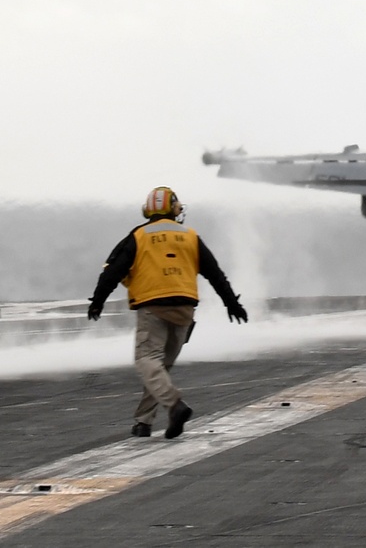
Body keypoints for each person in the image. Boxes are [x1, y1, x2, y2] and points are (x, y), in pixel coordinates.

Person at [88, 186, 248, 439]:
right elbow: (215, 273)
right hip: (185, 309)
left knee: (146, 361)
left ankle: (175, 406)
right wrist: (232, 304)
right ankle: (143, 422)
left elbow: (113, 270)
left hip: (152, 307)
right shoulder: (190, 235)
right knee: (159, 368)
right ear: (173, 207)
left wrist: (98, 301)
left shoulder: (138, 236)